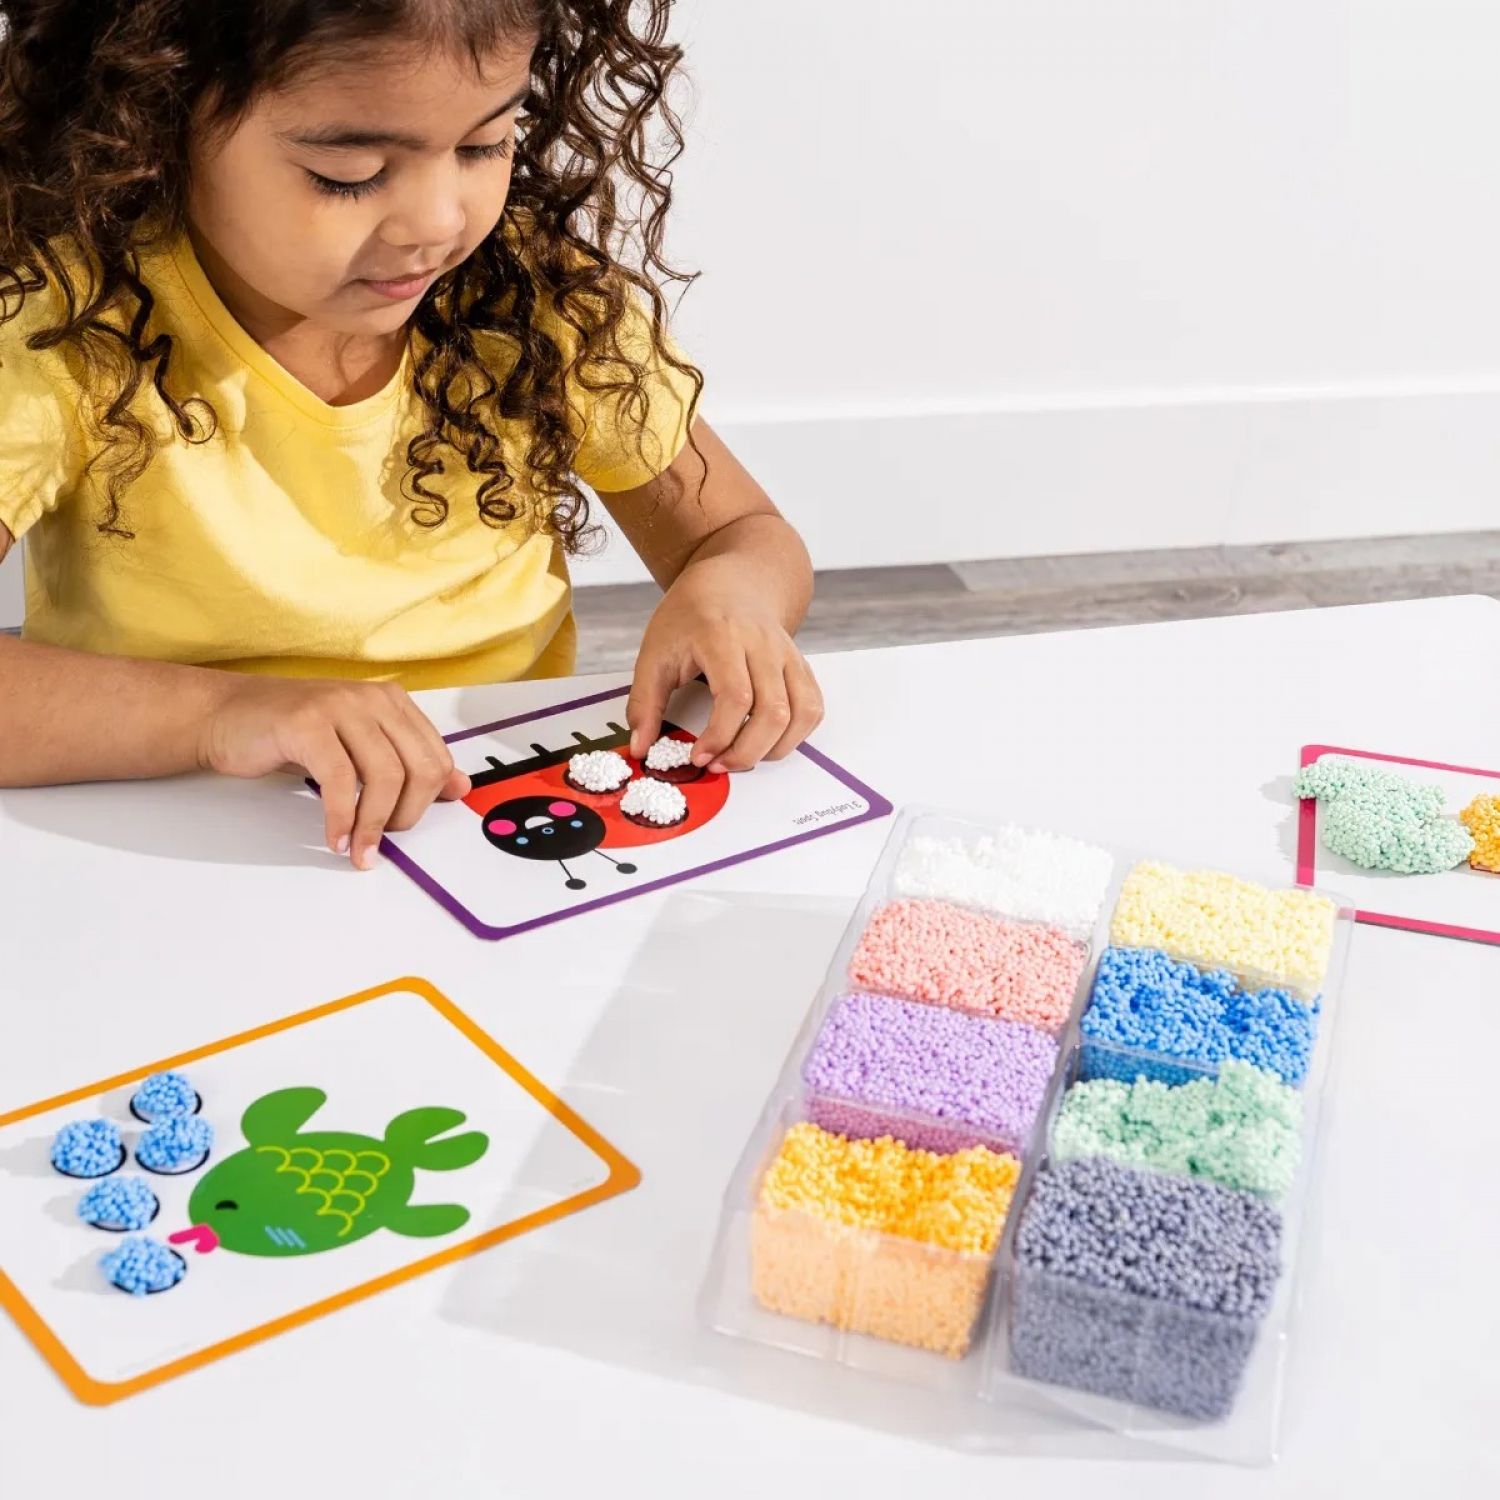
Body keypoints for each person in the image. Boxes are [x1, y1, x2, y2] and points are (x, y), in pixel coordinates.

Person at [0, 0, 822, 869]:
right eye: (349, 174)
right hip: (182, 833)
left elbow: (743, 534)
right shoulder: (66, 327)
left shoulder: (537, 295)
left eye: (484, 144)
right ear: (156, 118)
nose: (437, 222)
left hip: (495, 814)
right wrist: (221, 715)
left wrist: (732, 595)